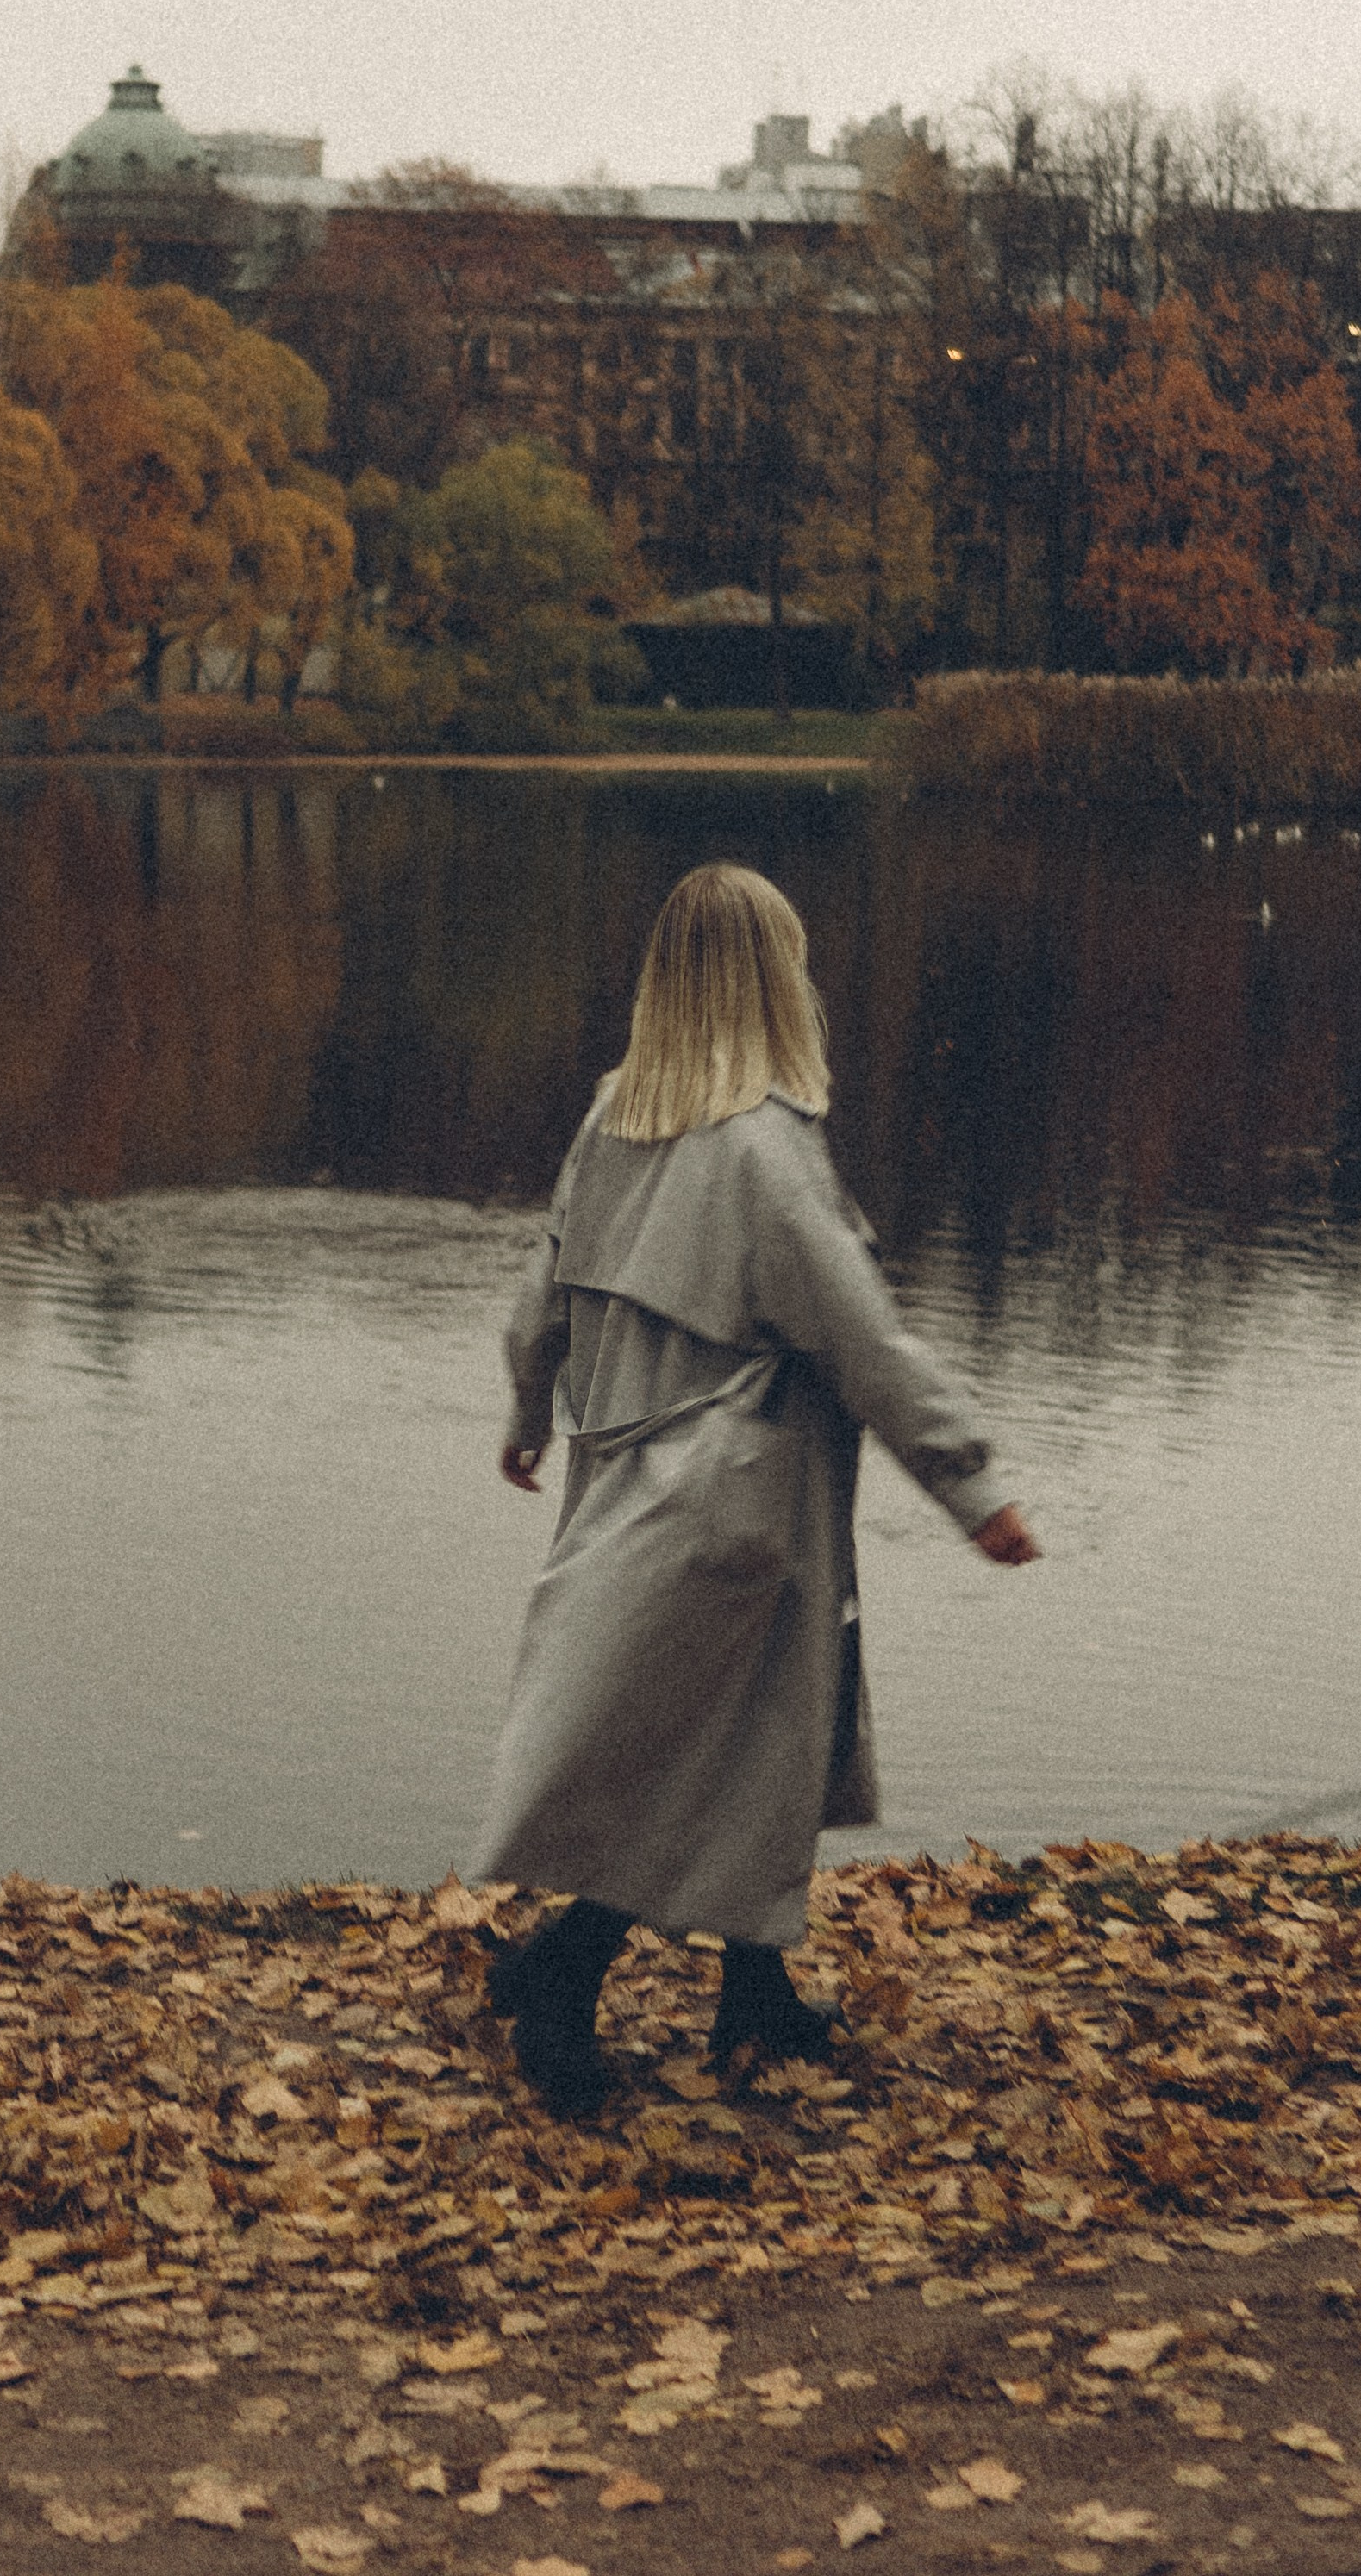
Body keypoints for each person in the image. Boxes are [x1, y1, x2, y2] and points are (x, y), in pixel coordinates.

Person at [470, 862, 1039, 2116]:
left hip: (622, 1468)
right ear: (776, 981)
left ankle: (754, 1992)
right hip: (736, 1496)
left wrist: (527, 1405)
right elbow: (863, 1339)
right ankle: (562, 1974)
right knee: (702, 1743)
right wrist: (971, 1484)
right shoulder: (761, 1150)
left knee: (755, 1735)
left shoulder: (615, 1113)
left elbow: (544, 1281)